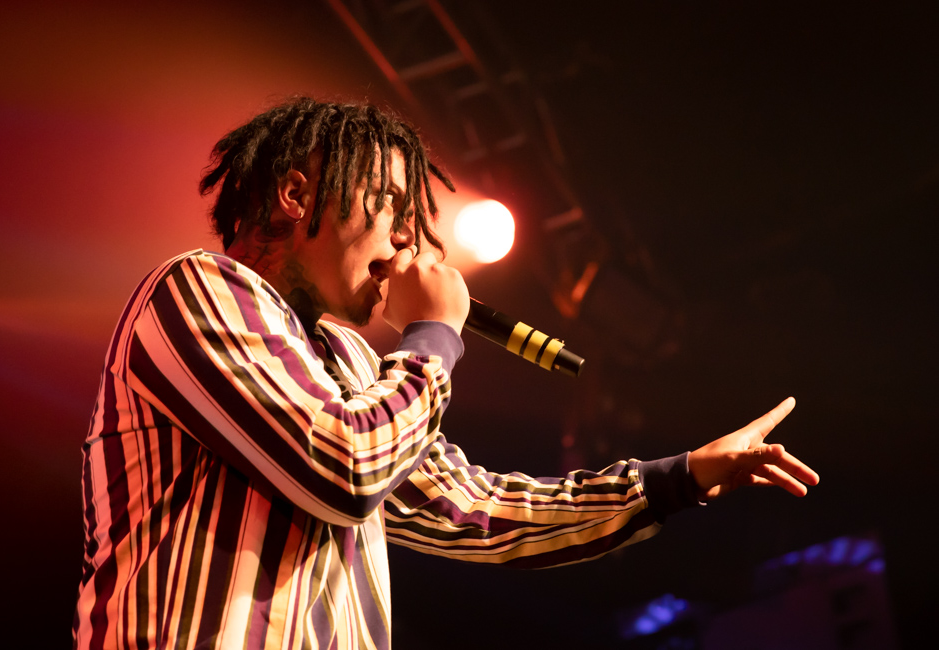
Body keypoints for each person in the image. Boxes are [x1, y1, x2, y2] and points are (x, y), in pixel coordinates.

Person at [72, 97, 819, 649]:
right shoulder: (193, 290)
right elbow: (344, 466)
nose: (406, 238)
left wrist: (682, 476)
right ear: (297, 195)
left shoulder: (356, 365)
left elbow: (482, 512)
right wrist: (434, 334)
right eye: (392, 205)